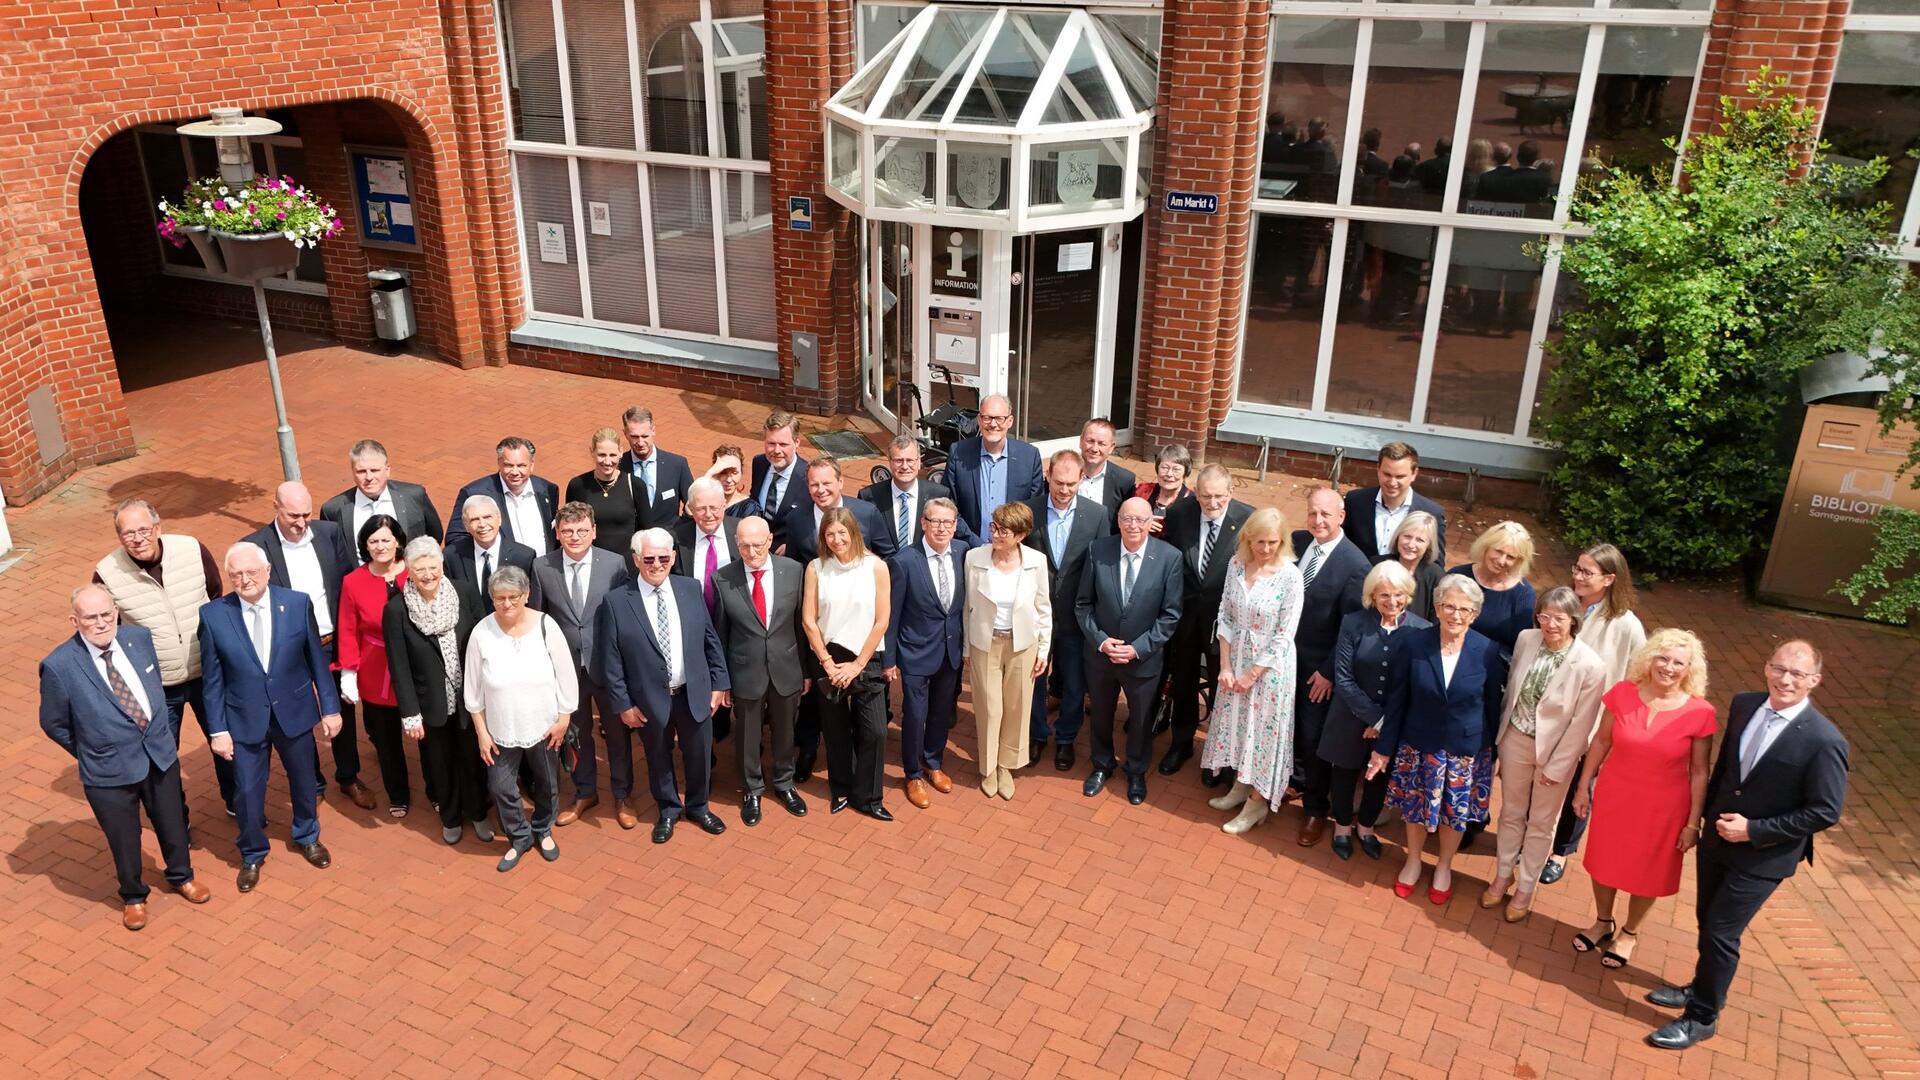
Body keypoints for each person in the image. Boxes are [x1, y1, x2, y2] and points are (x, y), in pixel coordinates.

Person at [1645, 641, 1848, 1051]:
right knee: (1707, 919)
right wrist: (1700, 819)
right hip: (1718, 840)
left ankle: (1701, 1018)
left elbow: (1825, 811)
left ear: (1814, 681)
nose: (1785, 679)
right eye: (1779, 668)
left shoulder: (1825, 741)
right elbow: (1724, 770)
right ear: (1767, 667)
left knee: (1722, 931)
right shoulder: (1744, 704)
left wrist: (1754, 830)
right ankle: (1701, 987)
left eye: (1797, 674)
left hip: (1763, 856)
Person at [39, 586, 210, 930]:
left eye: (106, 614)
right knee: (124, 836)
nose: (101, 623)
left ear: (116, 611)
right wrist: (91, 748)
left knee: (172, 821)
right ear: (75, 621)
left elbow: (153, 688)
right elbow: (54, 723)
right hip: (107, 769)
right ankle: (133, 895)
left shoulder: (139, 638)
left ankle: (182, 875)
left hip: (158, 754)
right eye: (91, 618)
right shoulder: (59, 666)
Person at [1569, 630, 1717, 972]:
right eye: (1662, 658)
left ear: (1689, 669)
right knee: (1604, 862)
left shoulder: (1700, 713)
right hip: (1616, 797)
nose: (1668, 667)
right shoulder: (1622, 694)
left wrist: (1693, 822)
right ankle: (1603, 921)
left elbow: (1698, 772)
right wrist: (1582, 786)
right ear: (1649, 658)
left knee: (1646, 872)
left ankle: (1630, 932)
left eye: (1678, 662)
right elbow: (1602, 743)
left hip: (1664, 808)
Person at [198, 542, 342, 892]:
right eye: (236, 575)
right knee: (247, 791)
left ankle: (307, 834)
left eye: (251, 572)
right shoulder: (213, 615)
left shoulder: (296, 603)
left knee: (304, 779)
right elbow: (212, 680)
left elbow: (315, 661)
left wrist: (331, 706)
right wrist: (217, 730)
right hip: (243, 718)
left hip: (292, 711)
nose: (244, 579)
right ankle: (251, 852)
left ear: (266, 571)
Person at [1366, 574, 1507, 905]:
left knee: (1454, 814)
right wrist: (1384, 748)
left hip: (1464, 751)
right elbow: (1398, 700)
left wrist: (1493, 753)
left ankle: (1444, 865)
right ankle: (1413, 859)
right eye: (1448, 606)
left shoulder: (1487, 650)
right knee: (1415, 809)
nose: (1455, 615)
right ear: (1437, 607)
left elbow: (1491, 706)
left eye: (1464, 609)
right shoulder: (1414, 643)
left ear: (1474, 614)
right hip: (1418, 745)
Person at [92, 498, 236, 815]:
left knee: (225, 743)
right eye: (128, 533)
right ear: (119, 537)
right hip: (157, 687)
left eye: (144, 529)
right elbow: (108, 632)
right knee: (162, 758)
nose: (138, 538)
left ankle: (236, 802)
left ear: (158, 528)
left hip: (207, 675)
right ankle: (176, 819)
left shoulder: (192, 550)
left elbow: (215, 595)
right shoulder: (107, 573)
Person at [596, 528, 731, 843]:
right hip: (648, 700)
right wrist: (623, 704)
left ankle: (698, 806)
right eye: (649, 558)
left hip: (693, 693)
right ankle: (668, 809)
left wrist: (719, 683)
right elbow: (611, 659)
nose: (656, 564)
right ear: (636, 560)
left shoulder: (689, 588)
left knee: (698, 754)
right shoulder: (616, 602)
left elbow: (710, 640)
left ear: (672, 558)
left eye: (663, 557)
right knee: (658, 757)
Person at [1483, 588, 1608, 922]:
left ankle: (1526, 886)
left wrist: (1558, 765)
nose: (1550, 624)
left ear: (1574, 621)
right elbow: (1512, 689)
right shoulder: (1527, 639)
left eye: (1559, 618)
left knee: (1541, 823)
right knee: (1510, 812)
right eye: (1544, 615)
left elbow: (1583, 724)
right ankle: (1502, 873)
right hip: (1515, 740)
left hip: (1555, 753)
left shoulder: (1591, 665)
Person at [245, 481, 371, 810]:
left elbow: (348, 583)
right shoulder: (256, 547)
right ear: (275, 507)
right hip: (289, 649)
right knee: (299, 715)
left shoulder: (329, 533)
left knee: (341, 708)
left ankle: (348, 775)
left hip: (332, 641)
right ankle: (312, 782)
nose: (301, 523)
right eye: (292, 516)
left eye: (306, 514)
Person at [1543, 542, 1648, 884]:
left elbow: (1639, 676)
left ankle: (1561, 852)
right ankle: (1532, 841)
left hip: (1593, 722)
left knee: (1580, 786)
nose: (1578, 576)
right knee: (1543, 779)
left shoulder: (1626, 624)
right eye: (1576, 568)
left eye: (1587, 572)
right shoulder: (1565, 604)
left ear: (1609, 579)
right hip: (1554, 713)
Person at [1199, 508, 1304, 833]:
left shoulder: (1290, 575)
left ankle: (1257, 803)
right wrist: (1227, 666)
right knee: (1240, 727)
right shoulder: (1235, 564)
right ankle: (1240, 787)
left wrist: (1252, 674)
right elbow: (1226, 613)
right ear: (1248, 538)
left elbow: (1285, 634)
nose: (1267, 549)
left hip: (1271, 669)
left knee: (1263, 734)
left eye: (1274, 542)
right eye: (1260, 542)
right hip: (1237, 660)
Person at [464, 566, 575, 872]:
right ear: (491, 598)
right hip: (500, 728)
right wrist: (481, 733)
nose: (507, 604)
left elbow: (566, 675)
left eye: (514, 597)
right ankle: (520, 836)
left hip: (544, 725)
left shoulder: (545, 626)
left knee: (547, 782)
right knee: (500, 785)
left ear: (526, 595)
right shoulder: (481, 633)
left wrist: (564, 717)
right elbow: (472, 690)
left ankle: (543, 829)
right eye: (500, 598)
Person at [385, 537, 493, 846]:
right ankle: (450, 816)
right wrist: (409, 713)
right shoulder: (396, 609)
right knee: (440, 762)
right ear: (409, 571)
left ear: (441, 565)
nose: (428, 575)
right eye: (420, 570)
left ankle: (478, 812)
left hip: (469, 697)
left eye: (433, 567)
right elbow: (399, 664)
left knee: (473, 756)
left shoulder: (465, 592)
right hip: (430, 701)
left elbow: (484, 639)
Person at [528, 502, 630, 828]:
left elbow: (625, 617)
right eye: (568, 531)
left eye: (582, 530)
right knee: (578, 733)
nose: (575, 537)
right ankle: (585, 792)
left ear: (594, 531)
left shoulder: (614, 565)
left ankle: (622, 794)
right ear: (557, 533)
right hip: (566, 670)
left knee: (617, 734)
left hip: (607, 667)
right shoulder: (543, 567)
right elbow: (537, 619)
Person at [1077, 497, 1183, 805]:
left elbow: (1171, 614)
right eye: (1127, 519)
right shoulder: (1099, 551)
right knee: (1100, 713)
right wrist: (1100, 640)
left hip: (1143, 659)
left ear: (1151, 523)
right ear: (1118, 521)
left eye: (1140, 520)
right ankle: (1102, 764)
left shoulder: (1169, 558)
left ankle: (1136, 770)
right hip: (1101, 656)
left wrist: (1137, 649)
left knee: (1140, 718)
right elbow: (1083, 605)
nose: (1133, 526)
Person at [1319, 562, 1428, 860]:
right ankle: (1342, 826)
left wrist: (1385, 724)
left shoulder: (1422, 631)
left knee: (1379, 776)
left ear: (1407, 594)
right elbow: (1343, 677)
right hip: (1349, 716)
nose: (1392, 602)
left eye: (1398, 595)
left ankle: (1366, 826)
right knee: (1344, 771)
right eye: (1384, 596)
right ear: (1372, 596)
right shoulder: (1353, 623)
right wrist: (1376, 718)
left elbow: (1413, 686)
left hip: (1392, 722)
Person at [709, 515, 809, 824]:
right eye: (745, 546)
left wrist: (805, 670)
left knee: (786, 730)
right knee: (747, 735)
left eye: (757, 545)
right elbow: (720, 634)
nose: (752, 553)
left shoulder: (794, 571)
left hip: (787, 666)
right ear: (736, 544)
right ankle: (751, 789)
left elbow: (801, 626)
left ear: (769, 542)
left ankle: (784, 782)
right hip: (745, 671)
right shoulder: (722, 578)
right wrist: (722, 681)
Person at [1159, 464, 1254, 780]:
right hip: (1184, 618)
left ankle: (1220, 755)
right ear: (1195, 492)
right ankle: (1181, 743)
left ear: (1230, 493)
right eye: (1205, 496)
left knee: (1222, 688)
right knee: (1183, 682)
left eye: (1218, 497)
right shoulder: (1180, 513)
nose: (1211, 504)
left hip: (1224, 625)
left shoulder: (1248, 519)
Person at [800, 506, 895, 819]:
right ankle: (841, 788)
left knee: (875, 731)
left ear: (854, 532)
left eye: (842, 532)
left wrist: (857, 665)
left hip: (864, 657)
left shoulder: (876, 567)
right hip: (828, 656)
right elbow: (809, 621)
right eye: (830, 534)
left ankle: (868, 796)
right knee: (836, 729)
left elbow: (882, 620)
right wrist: (827, 663)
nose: (836, 539)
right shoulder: (816, 568)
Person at [1290, 487, 1370, 847]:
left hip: (1318, 672)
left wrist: (1328, 671)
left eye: (1326, 514)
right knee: (1287, 729)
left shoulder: (1355, 565)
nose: (1318, 521)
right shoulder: (1298, 542)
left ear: (1341, 517)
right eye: (1312, 513)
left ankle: (1315, 809)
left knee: (1313, 739)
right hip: (1284, 659)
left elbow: (1351, 629)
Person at [1023, 449, 1109, 770]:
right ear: (1048, 476)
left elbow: (1100, 566)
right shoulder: (1029, 512)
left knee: (1074, 683)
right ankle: (1036, 735)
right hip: (1035, 616)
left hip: (1076, 618)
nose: (1064, 490)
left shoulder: (1097, 515)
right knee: (1035, 679)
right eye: (1059, 482)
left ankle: (1065, 739)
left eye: (1071, 484)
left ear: (1081, 480)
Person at [962, 501, 1050, 800]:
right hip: (984, 643)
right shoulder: (975, 557)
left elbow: (1043, 608)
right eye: (994, 527)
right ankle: (988, 767)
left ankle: (1005, 766)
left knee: (1017, 707)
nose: (996, 534)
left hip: (1023, 644)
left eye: (1003, 530)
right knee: (989, 707)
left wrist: (1043, 650)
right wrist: (965, 647)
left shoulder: (1036, 561)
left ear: (1021, 535)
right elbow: (966, 607)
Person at [886, 498, 970, 808]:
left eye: (948, 522)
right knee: (916, 714)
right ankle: (912, 774)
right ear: (923, 523)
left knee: (940, 712)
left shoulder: (963, 553)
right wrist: (890, 659)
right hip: (915, 653)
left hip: (949, 650)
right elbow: (892, 614)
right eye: (935, 521)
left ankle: (933, 762)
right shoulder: (904, 561)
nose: (942, 528)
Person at [335, 514, 413, 816]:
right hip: (376, 666)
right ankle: (398, 794)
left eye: (385, 539)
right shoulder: (353, 582)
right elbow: (348, 628)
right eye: (373, 541)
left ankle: (435, 790)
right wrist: (349, 672)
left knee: (427, 735)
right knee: (385, 736)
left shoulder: (417, 571)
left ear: (398, 541)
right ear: (365, 545)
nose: (380, 546)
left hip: (414, 663)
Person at [320, 438, 445, 558]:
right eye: (361, 471)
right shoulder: (333, 510)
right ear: (352, 472)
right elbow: (332, 553)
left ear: (387, 470)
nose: (369, 477)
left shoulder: (414, 496)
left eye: (374, 470)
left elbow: (434, 536)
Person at [945, 393, 1045, 540]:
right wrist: (974, 543)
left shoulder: (1029, 457)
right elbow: (949, 505)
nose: (993, 424)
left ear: (1010, 421)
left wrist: (1011, 542)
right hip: (970, 549)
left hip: (1012, 551)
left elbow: (1034, 509)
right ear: (979, 419)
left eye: (999, 418)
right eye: (987, 417)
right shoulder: (959, 453)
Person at [445, 436, 559, 555]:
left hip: (540, 569)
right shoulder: (474, 493)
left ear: (532, 464)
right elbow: (455, 538)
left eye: (521, 465)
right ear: (499, 463)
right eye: (509, 465)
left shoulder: (547, 489)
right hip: (502, 572)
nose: (515, 472)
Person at [1341, 442, 1447, 565]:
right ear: (1378, 469)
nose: (1392, 482)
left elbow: (1435, 563)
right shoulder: (1355, 501)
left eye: (1400, 476)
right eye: (1387, 474)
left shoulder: (1432, 513)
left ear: (1414, 474)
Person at [860, 435, 967, 550]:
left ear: (919, 461)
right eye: (898, 460)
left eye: (910, 460)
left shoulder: (939, 494)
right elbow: (862, 542)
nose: (905, 466)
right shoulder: (869, 496)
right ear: (890, 461)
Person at [781, 458, 895, 564]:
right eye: (814, 485)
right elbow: (794, 563)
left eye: (826, 483)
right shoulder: (796, 518)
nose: (821, 490)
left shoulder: (867, 513)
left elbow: (887, 556)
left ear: (840, 482)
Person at [1448, 521, 1536, 660]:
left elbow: (1519, 647)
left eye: (1510, 557)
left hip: (1489, 665)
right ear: (1486, 546)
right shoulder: (1457, 576)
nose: (1501, 560)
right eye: (1498, 551)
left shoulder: (1523, 595)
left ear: (1519, 561)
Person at [565, 427, 644, 560]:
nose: (607, 462)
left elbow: (645, 530)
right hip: (590, 562)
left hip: (626, 565)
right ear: (592, 452)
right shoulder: (578, 485)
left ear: (621, 452)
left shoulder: (635, 485)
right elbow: (570, 525)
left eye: (612, 455)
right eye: (602, 455)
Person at [619, 405, 696, 529]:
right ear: (625, 434)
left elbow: (693, 504)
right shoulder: (618, 467)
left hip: (667, 540)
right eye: (634, 436)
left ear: (653, 430)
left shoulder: (677, 464)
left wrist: (679, 531)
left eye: (645, 436)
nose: (640, 442)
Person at [444, 495, 536, 597]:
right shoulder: (451, 556)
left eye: (487, 517)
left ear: (499, 518)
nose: (482, 524)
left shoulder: (524, 556)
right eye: (474, 519)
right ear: (466, 526)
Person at [674, 478, 740, 610]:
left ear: (724, 505)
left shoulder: (741, 530)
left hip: (735, 620)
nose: (708, 514)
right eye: (701, 508)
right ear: (691, 509)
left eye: (714, 508)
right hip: (694, 615)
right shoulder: (676, 538)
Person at [752, 411, 811, 548]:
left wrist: (793, 543)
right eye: (771, 443)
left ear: (797, 443)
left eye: (783, 444)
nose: (776, 450)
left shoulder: (808, 475)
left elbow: (817, 520)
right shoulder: (759, 463)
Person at [1075, 418, 1136, 525]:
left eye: (1101, 444)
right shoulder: (1064, 474)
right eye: (1090, 441)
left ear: (1111, 447)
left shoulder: (1124, 480)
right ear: (1081, 441)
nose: (1094, 448)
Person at [1388, 511, 1444, 622]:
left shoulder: (1436, 577)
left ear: (1428, 545)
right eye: (1407, 536)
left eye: (1420, 540)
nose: (1411, 544)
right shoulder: (1377, 565)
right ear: (1398, 537)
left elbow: (1436, 620)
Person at [1133, 443, 1195, 534]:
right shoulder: (1141, 491)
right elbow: (1127, 516)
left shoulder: (1192, 501)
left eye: (1176, 469)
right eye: (1165, 468)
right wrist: (1142, 523)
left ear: (1185, 474)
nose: (1169, 474)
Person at [706, 444, 763, 521]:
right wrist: (708, 475)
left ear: (741, 473)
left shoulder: (749, 508)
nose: (729, 480)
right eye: (723, 472)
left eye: (734, 472)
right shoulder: (706, 500)